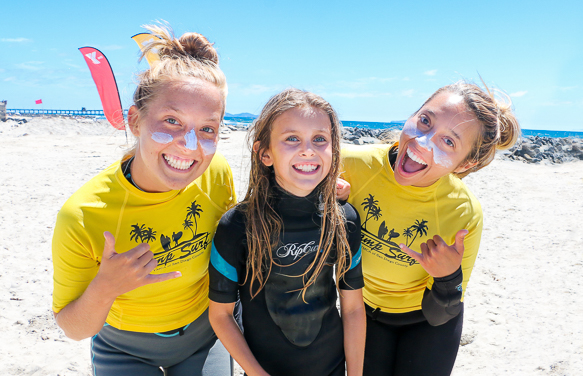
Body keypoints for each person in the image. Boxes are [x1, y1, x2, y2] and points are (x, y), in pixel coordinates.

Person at [52, 24, 235, 375]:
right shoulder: (82, 215)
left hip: (206, 335)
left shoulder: (217, 173)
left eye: (208, 128)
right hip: (124, 349)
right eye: (172, 120)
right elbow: (74, 328)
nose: (189, 144)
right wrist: (106, 288)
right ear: (135, 121)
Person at [340, 81, 520, 376]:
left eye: (448, 142)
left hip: (426, 323)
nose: (422, 142)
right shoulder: (351, 165)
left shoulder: (464, 212)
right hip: (362, 310)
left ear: (465, 164)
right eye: (425, 121)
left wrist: (448, 276)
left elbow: (443, 312)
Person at [208, 88, 366, 376]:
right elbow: (221, 315)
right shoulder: (237, 225)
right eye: (292, 138)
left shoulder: (345, 219)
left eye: (320, 139)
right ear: (265, 153)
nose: (308, 149)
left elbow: (353, 308)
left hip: (331, 367)